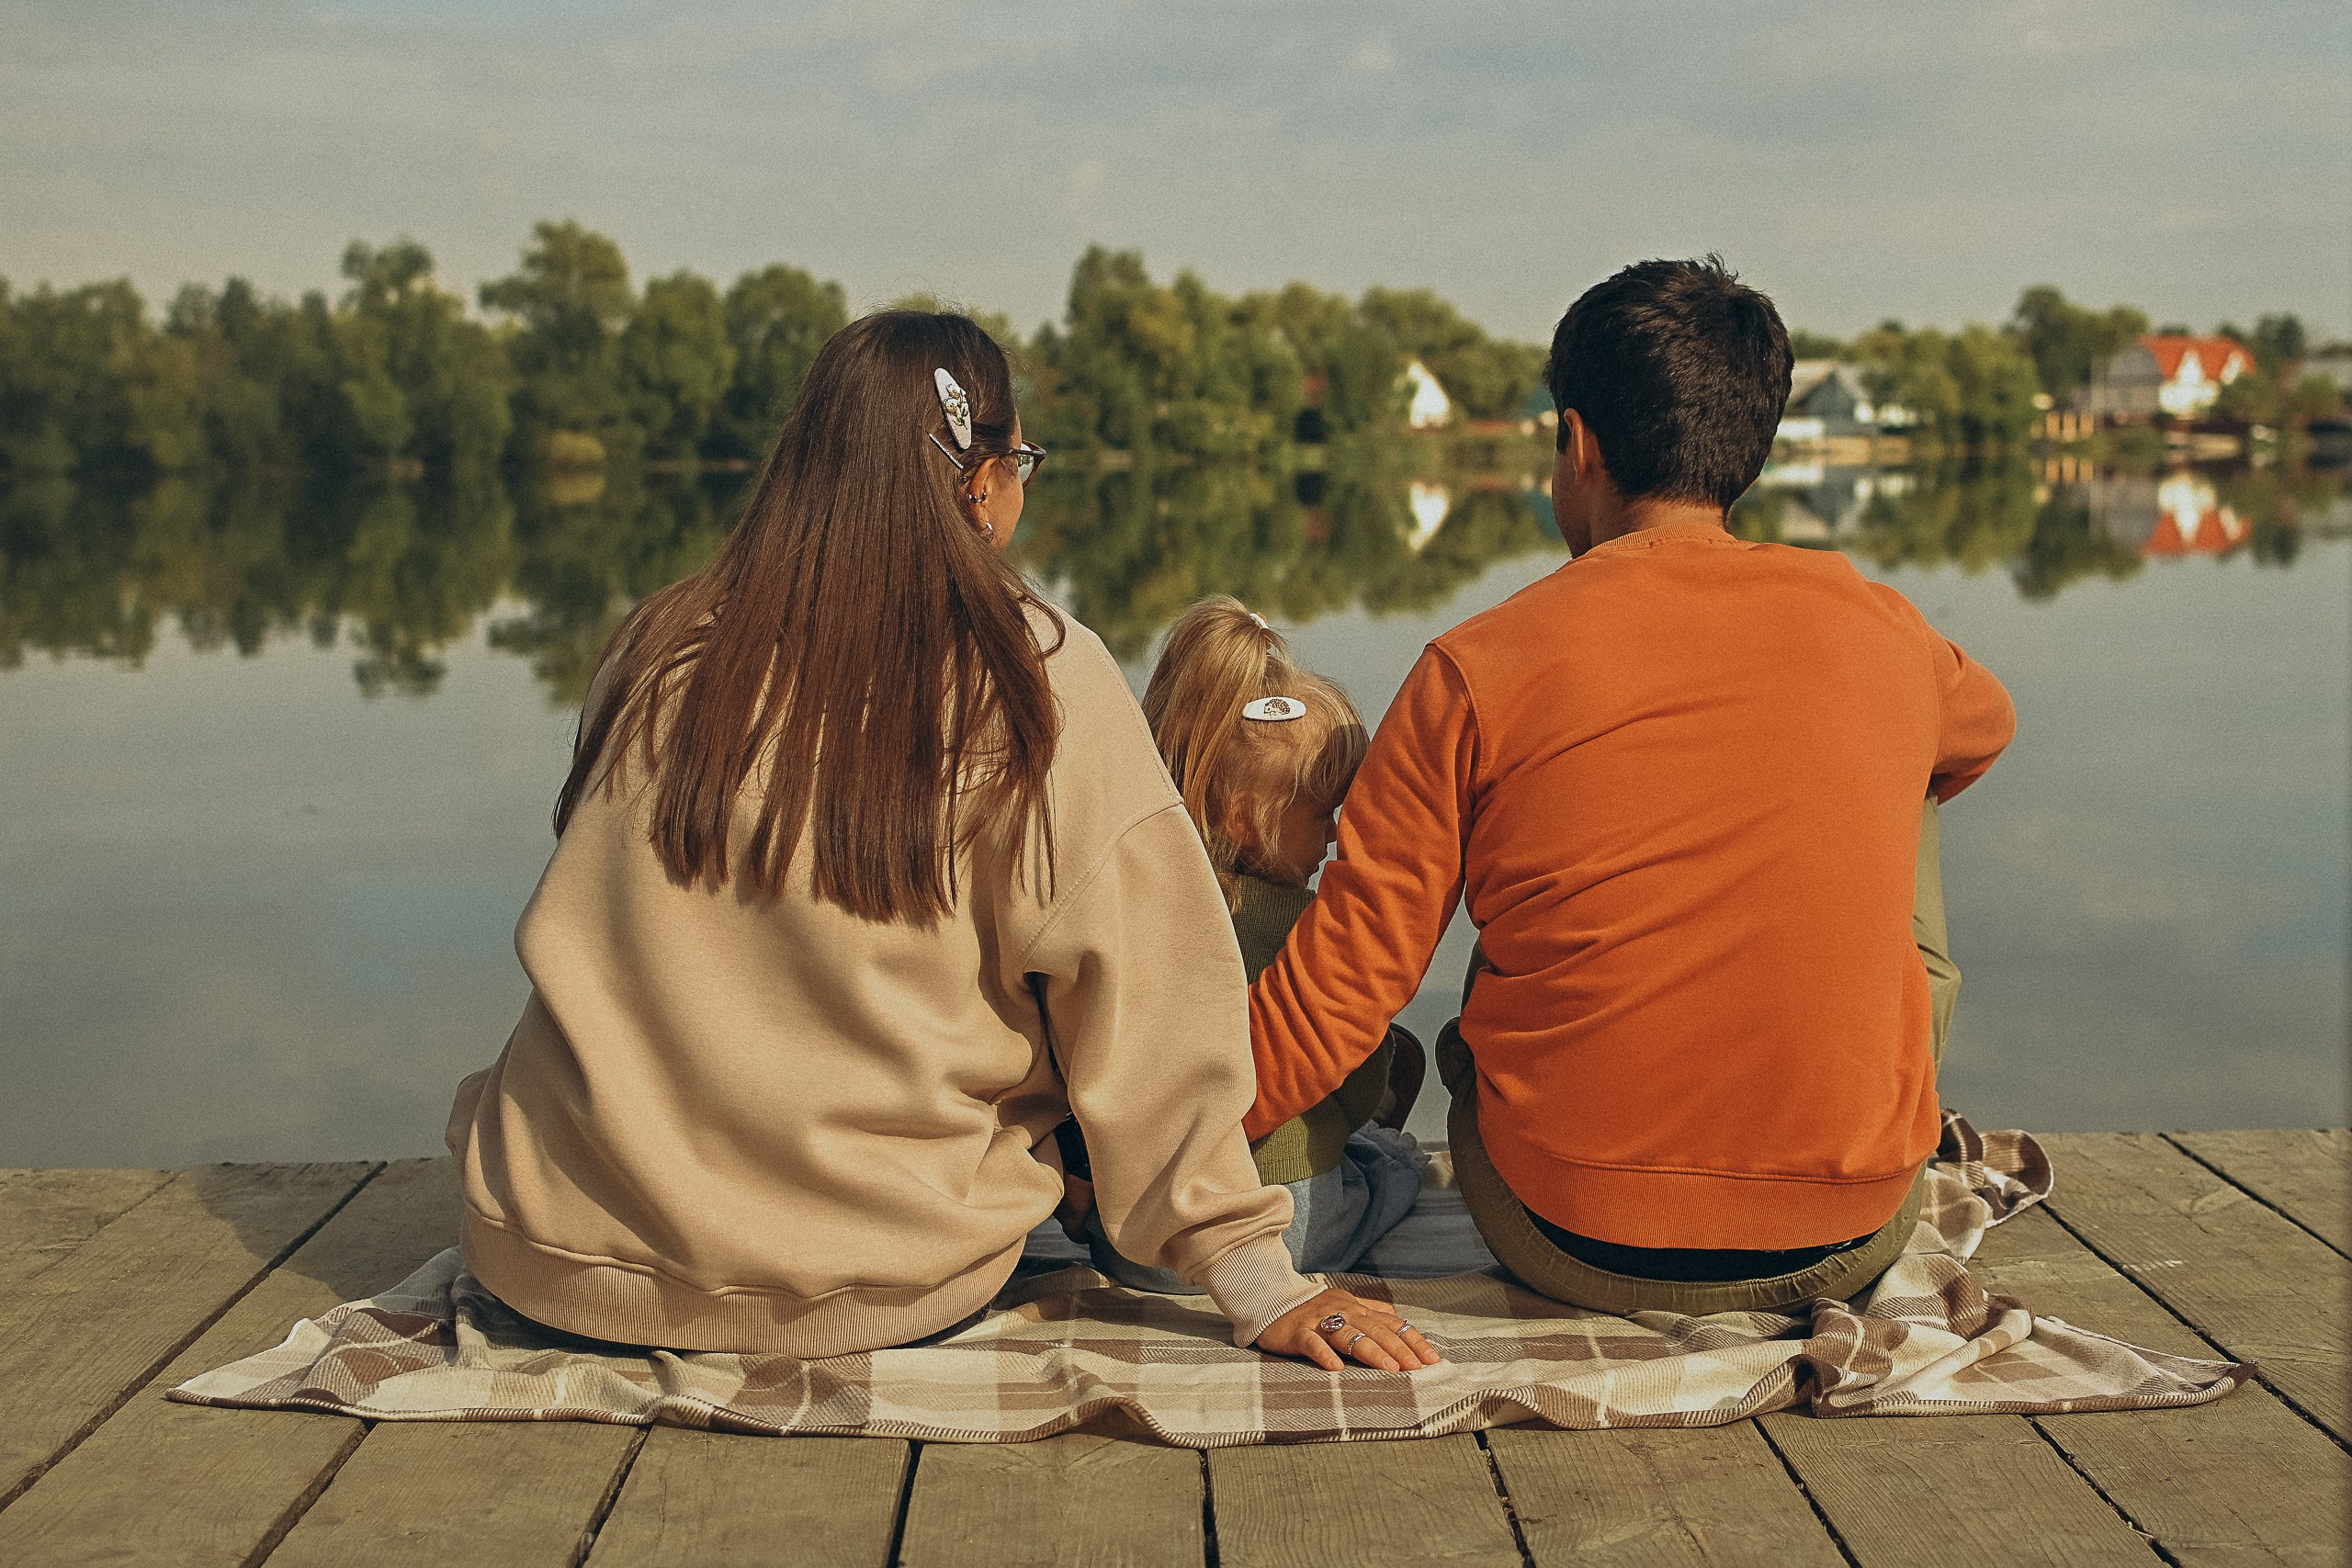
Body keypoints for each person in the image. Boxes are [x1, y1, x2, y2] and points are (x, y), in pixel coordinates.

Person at [444, 310, 1434, 1373]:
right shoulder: (1038, 678)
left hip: (559, 1256)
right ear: (982, 484)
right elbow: (1153, 1011)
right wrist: (1254, 1276)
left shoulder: (660, 645)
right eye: (1020, 464)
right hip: (868, 1281)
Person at [1246, 258, 2017, 1314]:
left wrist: (1138, 1135)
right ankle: (1862, 1111)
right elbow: (1989, 731)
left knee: (1485, 978)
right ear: (1747, 446)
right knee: (1911, 761)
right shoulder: (1879, 625)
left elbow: (1339, 997)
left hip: (1574, 1234)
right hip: (1850, 1230)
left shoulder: (1474, 667)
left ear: (1576, 443)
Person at [1057, 596, 1427, 1285]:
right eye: (1322, 814)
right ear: (1244, 815)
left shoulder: (1129, 901)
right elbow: (1353, 1085)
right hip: (1279, 1224)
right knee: (1390, 1164)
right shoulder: (1303, 923)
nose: (1334, 836)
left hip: (1136, 1240)